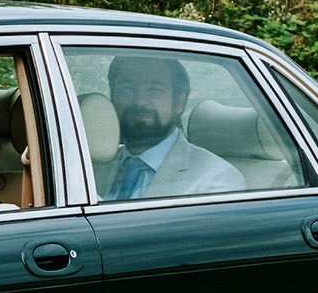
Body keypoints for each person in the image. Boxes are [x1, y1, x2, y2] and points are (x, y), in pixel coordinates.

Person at [100, 52, 242, 200]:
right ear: (112, 96)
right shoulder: (91, 166)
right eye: (127, 88)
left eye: (154, 90)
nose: (140, 101)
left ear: (179, 103)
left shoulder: (215, 178)